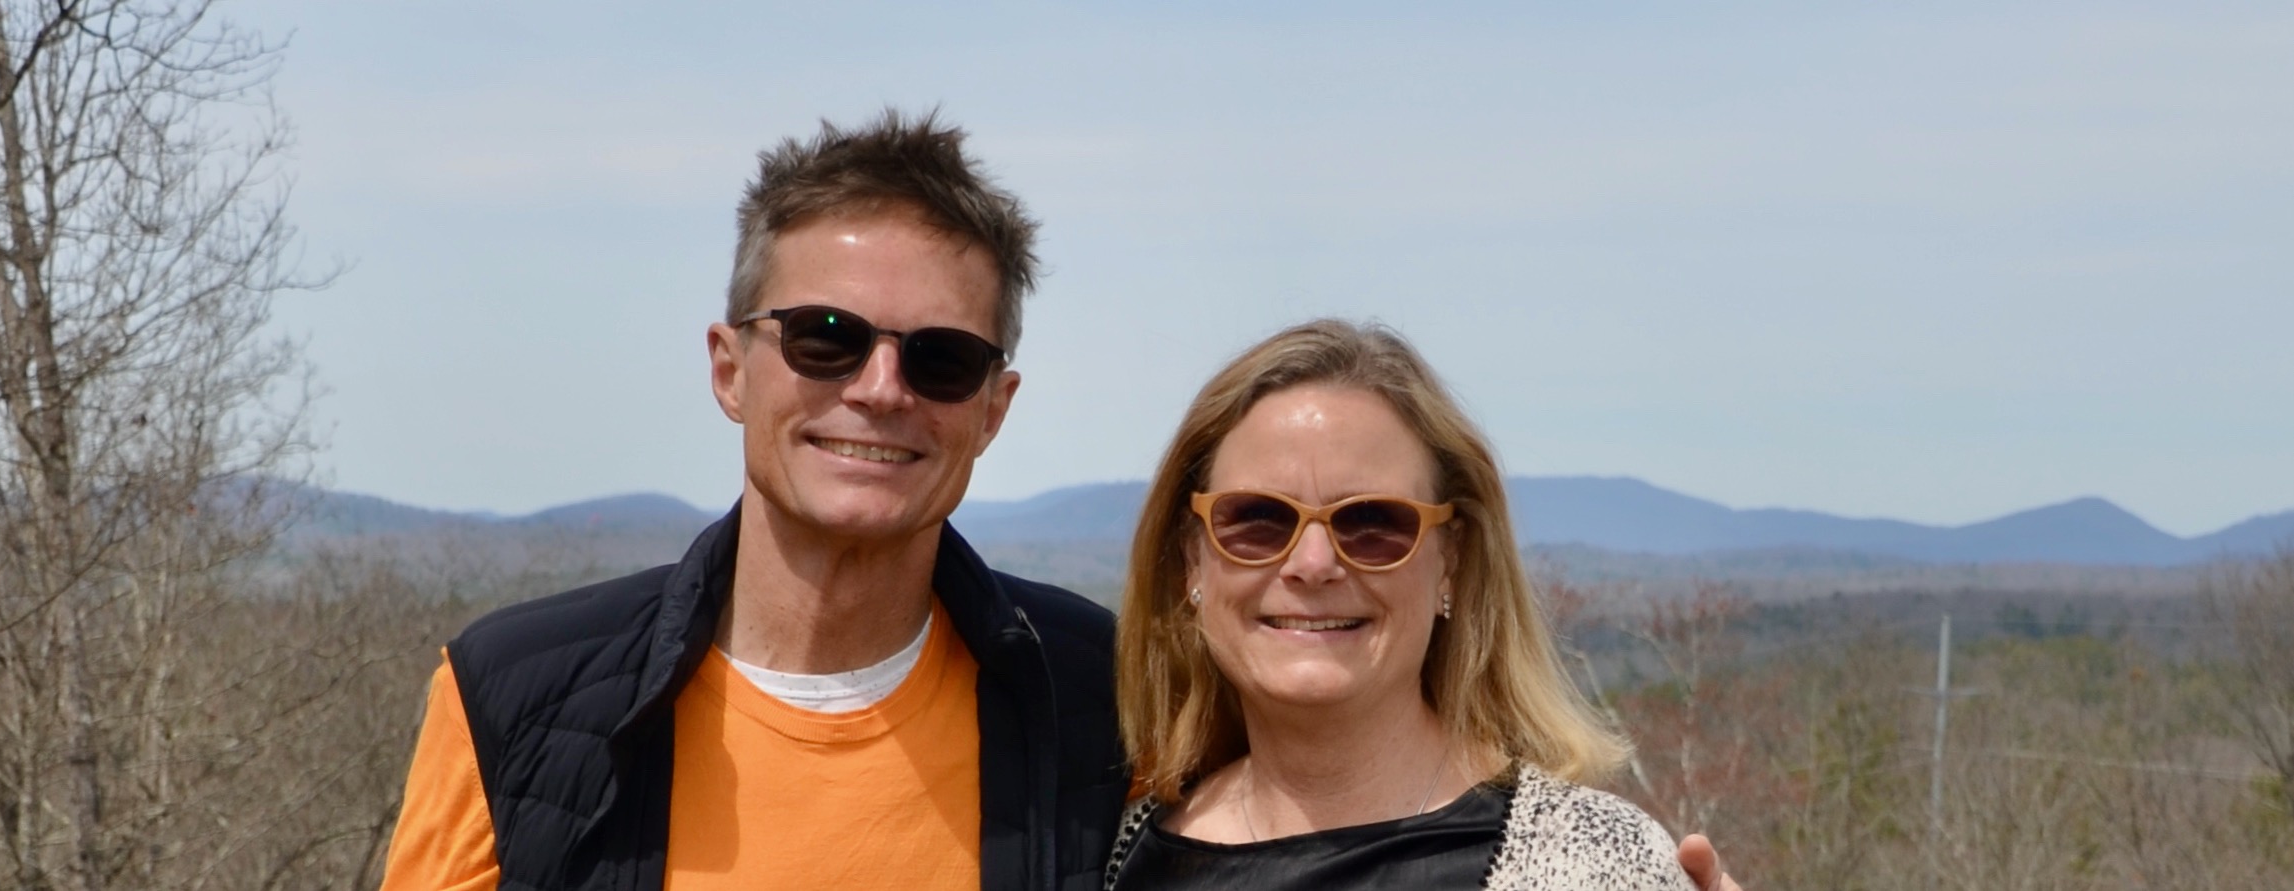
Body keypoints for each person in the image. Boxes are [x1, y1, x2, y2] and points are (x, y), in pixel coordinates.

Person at [376, 110, 1746, 891]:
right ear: (730, 364)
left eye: (943, 356)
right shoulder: (519, 697)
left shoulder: (1095, 718)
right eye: (825, 337)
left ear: (995, 404)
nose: (880, 388)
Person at [1104, 319, 1691, 890]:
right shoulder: (1119, 854)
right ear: (1190, 559)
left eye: (1371, 523)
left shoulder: (1596, 863)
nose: (1312, 564)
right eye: (1258, 519)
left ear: (1452, 561)